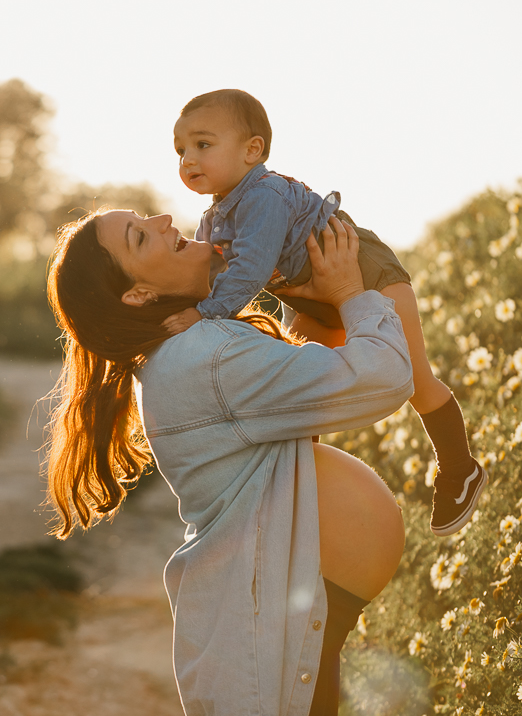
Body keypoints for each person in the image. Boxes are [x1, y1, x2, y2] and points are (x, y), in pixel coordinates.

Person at [46, 210, 411, 715]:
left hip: (282, 616)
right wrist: (352, 292)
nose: (164, 218)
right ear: (138, 295)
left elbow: (287, 391)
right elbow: (386, 377)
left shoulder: (190, 351)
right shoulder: (203, 357)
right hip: (269, 630)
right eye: (140, 235)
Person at [162, 88, 486, 537]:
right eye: (180, 151)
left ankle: (459, 468)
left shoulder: (264, 196)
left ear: (252, 150)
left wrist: (206, 314)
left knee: (414, 378)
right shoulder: (213, 219)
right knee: (307, 391)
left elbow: (251, 269)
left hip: (365, 272)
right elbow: (212, 272)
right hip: (312, 296)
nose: (188, 160)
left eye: (202, 145)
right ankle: (299, 491)